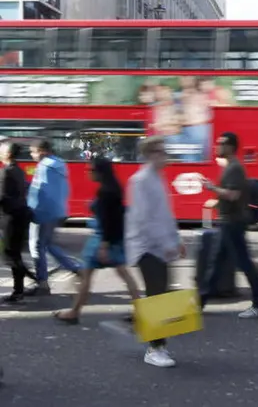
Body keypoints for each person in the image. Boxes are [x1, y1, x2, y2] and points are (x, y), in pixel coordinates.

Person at [53, 157, 140, 324]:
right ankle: (140, 310)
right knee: (124, 275)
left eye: (91, 170)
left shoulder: (105, 192)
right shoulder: (114, 188)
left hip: (101, 239)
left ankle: (74, 312)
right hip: (114, 239)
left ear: (100, 172)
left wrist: (104, 245)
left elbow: (108, 219)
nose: (88, 173)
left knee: (86, 276)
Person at [125, 136, 187, 368]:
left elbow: (165, 215)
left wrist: (176, 239)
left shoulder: (157, 178)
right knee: (158, 296)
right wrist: (166, 243)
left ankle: (153, 338)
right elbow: (144, 220)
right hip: (146, 247)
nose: (165, 155)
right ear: (150, 154)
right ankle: (154, 349)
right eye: (160, 151)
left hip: (160, 247)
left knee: (163, 294)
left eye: (164, 150)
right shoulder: (140, 180)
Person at [201, 132, 258, 318]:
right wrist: (217, 201)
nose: (217, 146)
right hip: (227, 221)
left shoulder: (234, 168)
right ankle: (200, 302)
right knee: (215, 264)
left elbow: (234, 195)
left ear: (231, 147)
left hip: (233, 223)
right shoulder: (230, 167)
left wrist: (211, 188)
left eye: (221, 143)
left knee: (243, 263)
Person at [26, 139, 81, 296]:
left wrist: (30, 210)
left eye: (33, 152)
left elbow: (39, 192)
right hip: (59, 211)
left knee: (37, 246)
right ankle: (75, 268)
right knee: (48, 244)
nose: (32, 155)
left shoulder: (43, 167)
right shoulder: (60, 164)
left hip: (43, 213)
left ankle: (42, 283)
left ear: (42, 151)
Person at [0, 141, 36, 302]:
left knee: (10, 254)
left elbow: (2, 197)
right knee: (14, 254)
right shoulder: (19, 170)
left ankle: (22, 287)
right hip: (20, 214)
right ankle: (20, 289)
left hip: (11, 217)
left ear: (7, 154)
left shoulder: (5, 172)